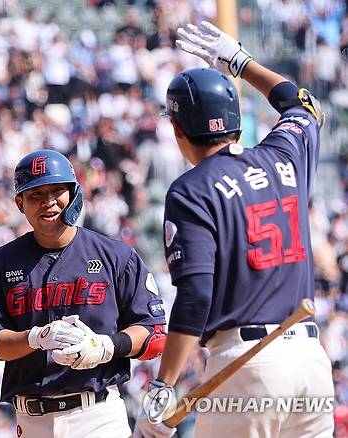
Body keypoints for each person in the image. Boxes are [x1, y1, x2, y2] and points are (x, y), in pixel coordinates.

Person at [134, 22, 334, 438]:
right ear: (235, 122)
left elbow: (196, 295)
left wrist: (164, 384)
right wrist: (242, 63)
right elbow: (306, 105)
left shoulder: (191, 189)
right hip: (311, 363)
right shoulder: (284, 155)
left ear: (177, 130)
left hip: (247, 365)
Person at [0, 149, 167, 438]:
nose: (48, 202)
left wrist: (105, 347)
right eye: (35, 195)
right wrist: (35, 337)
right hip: (32, 419)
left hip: (98, 415)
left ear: (74, 193)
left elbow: (154, 335)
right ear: (19, 203)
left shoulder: (116, 256)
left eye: (56, 191)